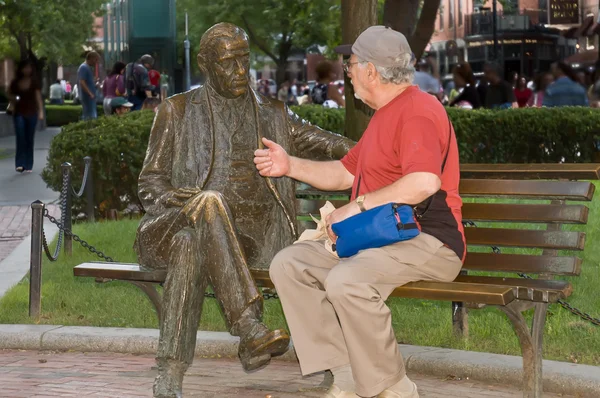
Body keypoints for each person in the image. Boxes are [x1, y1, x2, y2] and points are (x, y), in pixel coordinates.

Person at [135, 22, 354, 397]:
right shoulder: (177, 110)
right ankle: (248, 325)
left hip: (254, 239)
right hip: (169, 229)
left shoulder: (273, 113)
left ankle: (170, 372)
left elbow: (330, 144)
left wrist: (382, 155)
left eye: (244, 61)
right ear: (205, 63)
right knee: (205, 206)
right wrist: (180, 200)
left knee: (193, 246)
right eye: (228, 62)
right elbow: (149, 183)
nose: (240, 72)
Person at [258, 26, 464, 398]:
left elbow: (424, 183)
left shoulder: (418, 111)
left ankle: (394, 388)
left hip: (429, 240)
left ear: (371, 71)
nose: (346, 69)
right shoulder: (385, 115)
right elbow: (344, 172)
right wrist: (289, 165)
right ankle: (347, 375)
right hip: (382, 237)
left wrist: (355, 206)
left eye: (350, 62)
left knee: (347, 281)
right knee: (290, 265)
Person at [7, 59, 44, 173]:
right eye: (25, 67)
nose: (27, 70)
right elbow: (8, 93)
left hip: (32, 112)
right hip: (19, 112)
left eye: (29, 68)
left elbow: (38, 98)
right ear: (21, 69)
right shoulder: (15, 82)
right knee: (20, 137)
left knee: (29, 138)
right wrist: (13, 98)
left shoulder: (34, 81)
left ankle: (28, 164)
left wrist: (41, 111)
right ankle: (19, 164)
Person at [77, 51, 100, 120]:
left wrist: (94, 83)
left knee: (90, 115)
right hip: (88, 97)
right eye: (96, 60)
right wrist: (90, 93)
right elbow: (82, 82)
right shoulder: (83, 67)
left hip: (90, 96)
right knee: (90, 117)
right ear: (91, 58)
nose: (96, 62)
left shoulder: (86, 67)